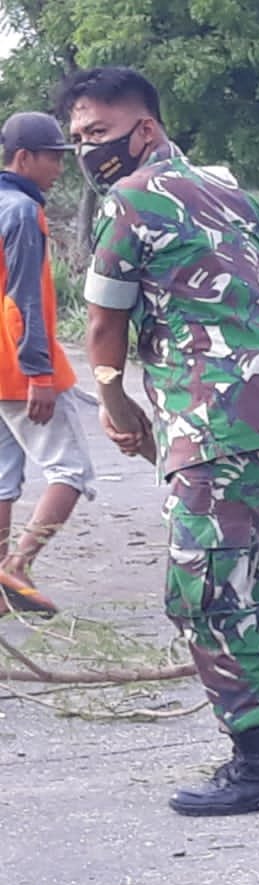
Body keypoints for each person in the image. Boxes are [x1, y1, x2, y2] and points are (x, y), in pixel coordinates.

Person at [60, 66, 259, 816]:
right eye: (75, 140)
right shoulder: (236, 197)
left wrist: (113, 400)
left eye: (98, 134)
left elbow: (104, 324)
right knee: (243, 586)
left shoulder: (129, 204)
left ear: (146, 130)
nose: (87, 152)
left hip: (218, 428)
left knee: (199, 595)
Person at [0, 112, 96, 616]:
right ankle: (17, 567)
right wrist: (38, 371)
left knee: (1, 477)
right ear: (24, 158)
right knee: (71, 471)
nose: (59, 167)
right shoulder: (19, 212)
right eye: (53, 157)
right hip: (18, 366)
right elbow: (25, 299)